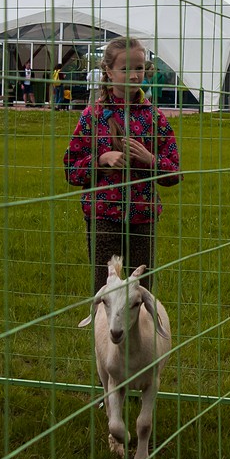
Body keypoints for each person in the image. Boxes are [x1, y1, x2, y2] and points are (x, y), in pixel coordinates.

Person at [64, 37, 181, 294]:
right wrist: (101, 161)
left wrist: (150, 160)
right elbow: (71, 170)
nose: (134, 76)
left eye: (139, 68)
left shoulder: (155, 118)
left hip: (143, 217)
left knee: (141, 291)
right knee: (106, 291)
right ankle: (104, 334)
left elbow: (174, 173)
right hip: (103, 217)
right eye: (125, 69)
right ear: (108, 71)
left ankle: (143, 334)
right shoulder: (92, 117)